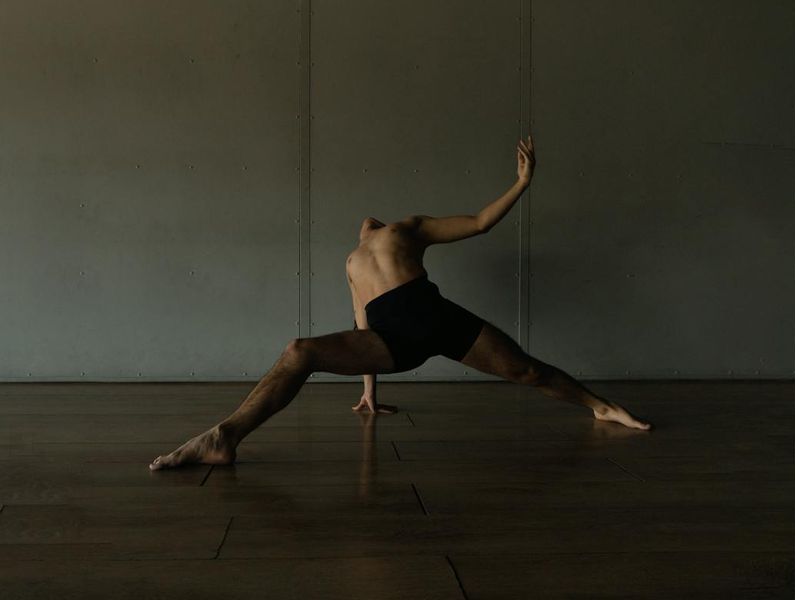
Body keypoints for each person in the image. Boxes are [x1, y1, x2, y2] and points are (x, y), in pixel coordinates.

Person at [149, 134, 650, 471]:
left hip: (438, 319)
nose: (367, 220)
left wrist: (521, 183)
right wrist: (369, 390)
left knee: (526, 370)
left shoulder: (407, 229)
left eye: (374, 220)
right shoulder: (352, 262)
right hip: (391, 341)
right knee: (299, 350)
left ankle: (602, 407)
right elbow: (360, 325)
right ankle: (223, 438)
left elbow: (479, 223)